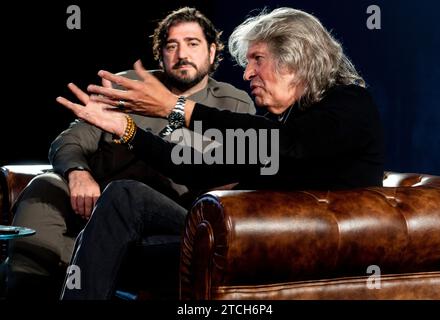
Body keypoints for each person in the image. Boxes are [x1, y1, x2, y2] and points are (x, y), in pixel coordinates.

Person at [57, 7, 384, 299]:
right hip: (239, 236)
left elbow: (288, 144)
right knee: (124, 197)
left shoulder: (349, 104)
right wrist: (124, 130)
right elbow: (196, 167)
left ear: (296, 59)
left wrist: (176, 107)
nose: (246, 74)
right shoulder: (281, 120)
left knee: (113, 250)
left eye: (258, 59)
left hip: (281, 248)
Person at [3, 7, 254, 300]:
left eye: (192, 43)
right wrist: (78, 173)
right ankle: (27, 287)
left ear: (212, 52)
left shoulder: (232, 104)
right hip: (95, 205)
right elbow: (69, 140)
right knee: (44, 185)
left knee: (125, 199)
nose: (181, 53)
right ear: (160, 55)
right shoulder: (126, 87)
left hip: (167, 211)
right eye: (171, 46)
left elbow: (228, 171)